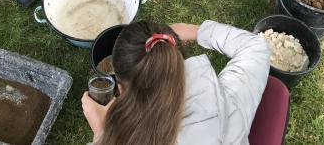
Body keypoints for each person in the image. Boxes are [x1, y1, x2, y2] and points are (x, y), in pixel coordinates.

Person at [82, 20, 273, 144]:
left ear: (121, 88)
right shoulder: (231, 101)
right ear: (175, 62)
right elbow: (256, 46)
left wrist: (101, 130)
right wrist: (196, 31)